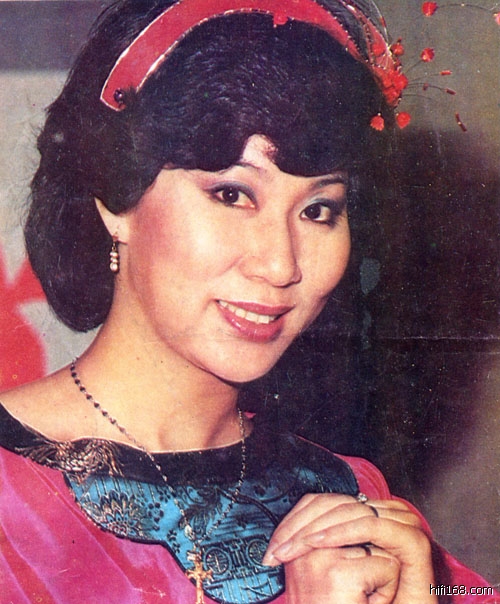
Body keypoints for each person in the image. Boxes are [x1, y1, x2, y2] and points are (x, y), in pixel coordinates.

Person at [0, 0, 497, 602]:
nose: (281, 265)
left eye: (319, 210)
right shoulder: (12, 501)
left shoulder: (355, 502)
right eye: (232, 195)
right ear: (115, 196)